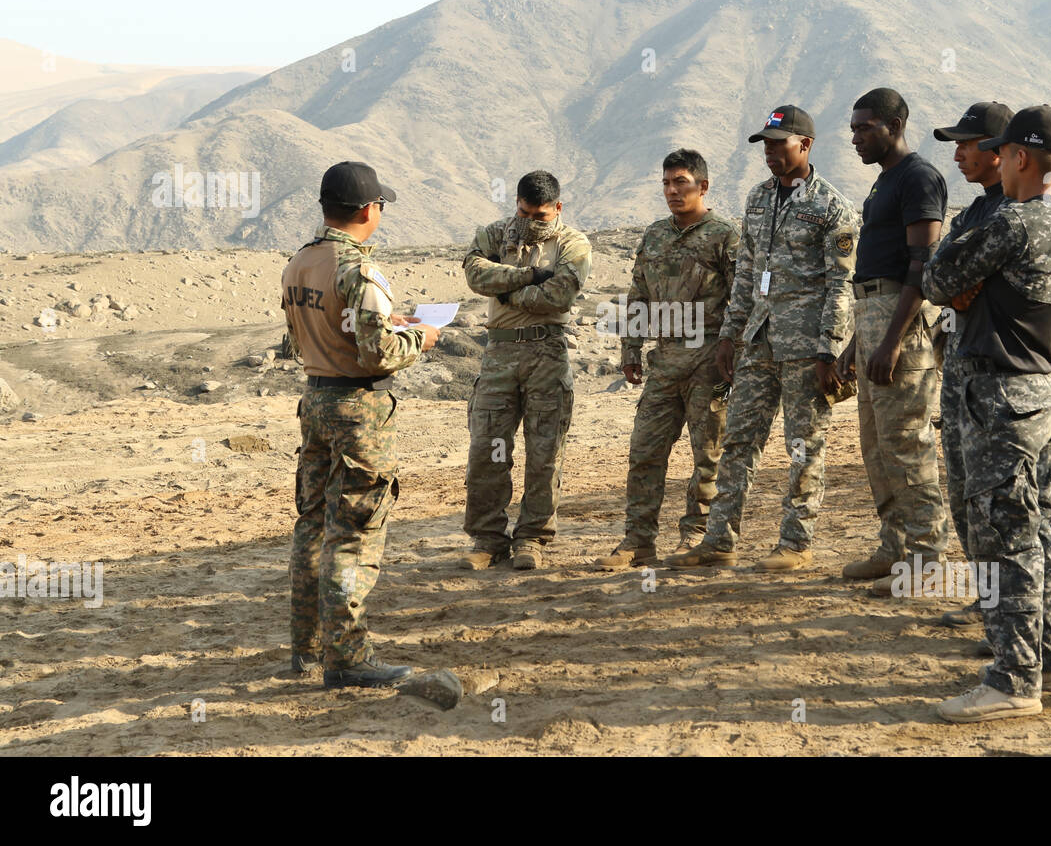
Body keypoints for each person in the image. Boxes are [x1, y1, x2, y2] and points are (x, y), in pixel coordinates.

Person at [922, 105, 1051, 723]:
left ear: (1016, 157)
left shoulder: (1013, 223)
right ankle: (1046, 658)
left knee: (1003, 539)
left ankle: (1014, 681)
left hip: (999, 401)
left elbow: (937, 280)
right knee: (1036, 532)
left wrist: (966, 280)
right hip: (1034, 393)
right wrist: (971, 283)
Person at [667, 105, 857, 572]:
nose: (771, 153)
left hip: (805, 348)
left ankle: (795, 543)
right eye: (767, 145)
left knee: (803, 445)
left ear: (805, 146)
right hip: (758, 341)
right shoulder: (757, 199)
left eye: (780, 144)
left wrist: (828, 349)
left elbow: (840, 284)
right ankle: (719, 540)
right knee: (738, 442)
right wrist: (731, 335)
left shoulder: (832, 207)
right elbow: (748, 275)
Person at [283, 161, 439, 689]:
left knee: (313, 525)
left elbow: (304, 338)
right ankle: (348, 659)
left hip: (316, 401)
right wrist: (421, 336)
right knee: (353, 532)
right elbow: (379, 358)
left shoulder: (299, 264)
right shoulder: (360, 272)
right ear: (369, 210)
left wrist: (380, 326)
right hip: (357, 411)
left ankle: (306, 648)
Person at [595, 150, 739, 569]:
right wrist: (630, 349)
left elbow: (741, 299)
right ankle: (638, 540)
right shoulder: (655, 235)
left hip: (710, 358)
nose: (672, 191)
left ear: (703, 187)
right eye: (666, 183)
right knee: (645, 452)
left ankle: (698, 536)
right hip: (665, 360)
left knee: (708, 454)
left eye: (681, 182)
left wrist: (736, 354)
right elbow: (639, 293)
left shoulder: (724, 236)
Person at [837, 88, 951, 595]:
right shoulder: (884, 183)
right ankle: (895, 547)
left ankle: (929, 559)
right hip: (871, 316)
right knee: (876, 444)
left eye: (866, 127)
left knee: (907, 443)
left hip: (900, 321)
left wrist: (891, 341)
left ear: (896, 124)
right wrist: (857, 343)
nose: (856, 137)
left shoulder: (918, 178)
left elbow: (922, 265)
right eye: (854, 128)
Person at [458, 170, 592, 571]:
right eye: (523, 212)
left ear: (558, 209)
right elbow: (474, 273)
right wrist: (529, 276)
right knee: (488, 448)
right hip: (499, 354)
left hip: (546, 353)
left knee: (545, 450)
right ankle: (488, 538)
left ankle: (532, 537)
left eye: (540, 216)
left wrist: (505, 289)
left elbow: (560, 294)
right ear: (515, 203)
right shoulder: (495, 234)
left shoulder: (573, 243)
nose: (530, 222)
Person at [930, 101, 1014, 628]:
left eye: (967, 144)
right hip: (958, 370)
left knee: (996, 503)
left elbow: (962, 280)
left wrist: (962, 283)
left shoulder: (1014, 213)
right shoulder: (970, 215)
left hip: (995, 376)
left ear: (999, 150)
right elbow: (937, 277)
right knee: (962, 491)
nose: (958, 154)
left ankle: (1008, 612)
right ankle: (987, 600)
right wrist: (957, 283)